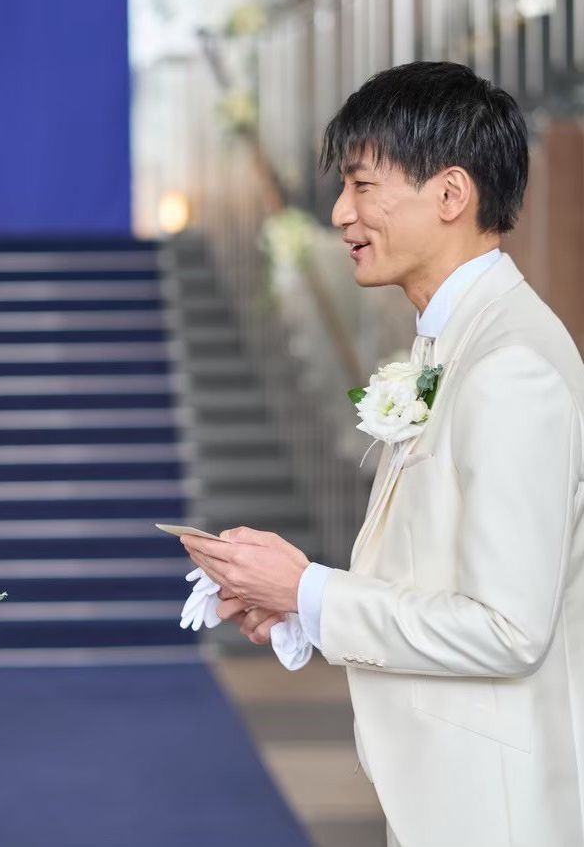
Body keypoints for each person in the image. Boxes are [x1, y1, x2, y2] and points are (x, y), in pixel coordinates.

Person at [180, 62, 584, 847]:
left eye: (363, 185)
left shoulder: (511, 367)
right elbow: (437, 575)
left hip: (494, 813)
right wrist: (298, 603)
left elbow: (507, 627)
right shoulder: (451, 343)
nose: (340, 213)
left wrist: (312, 589)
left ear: (451, 194)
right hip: (446, 794)